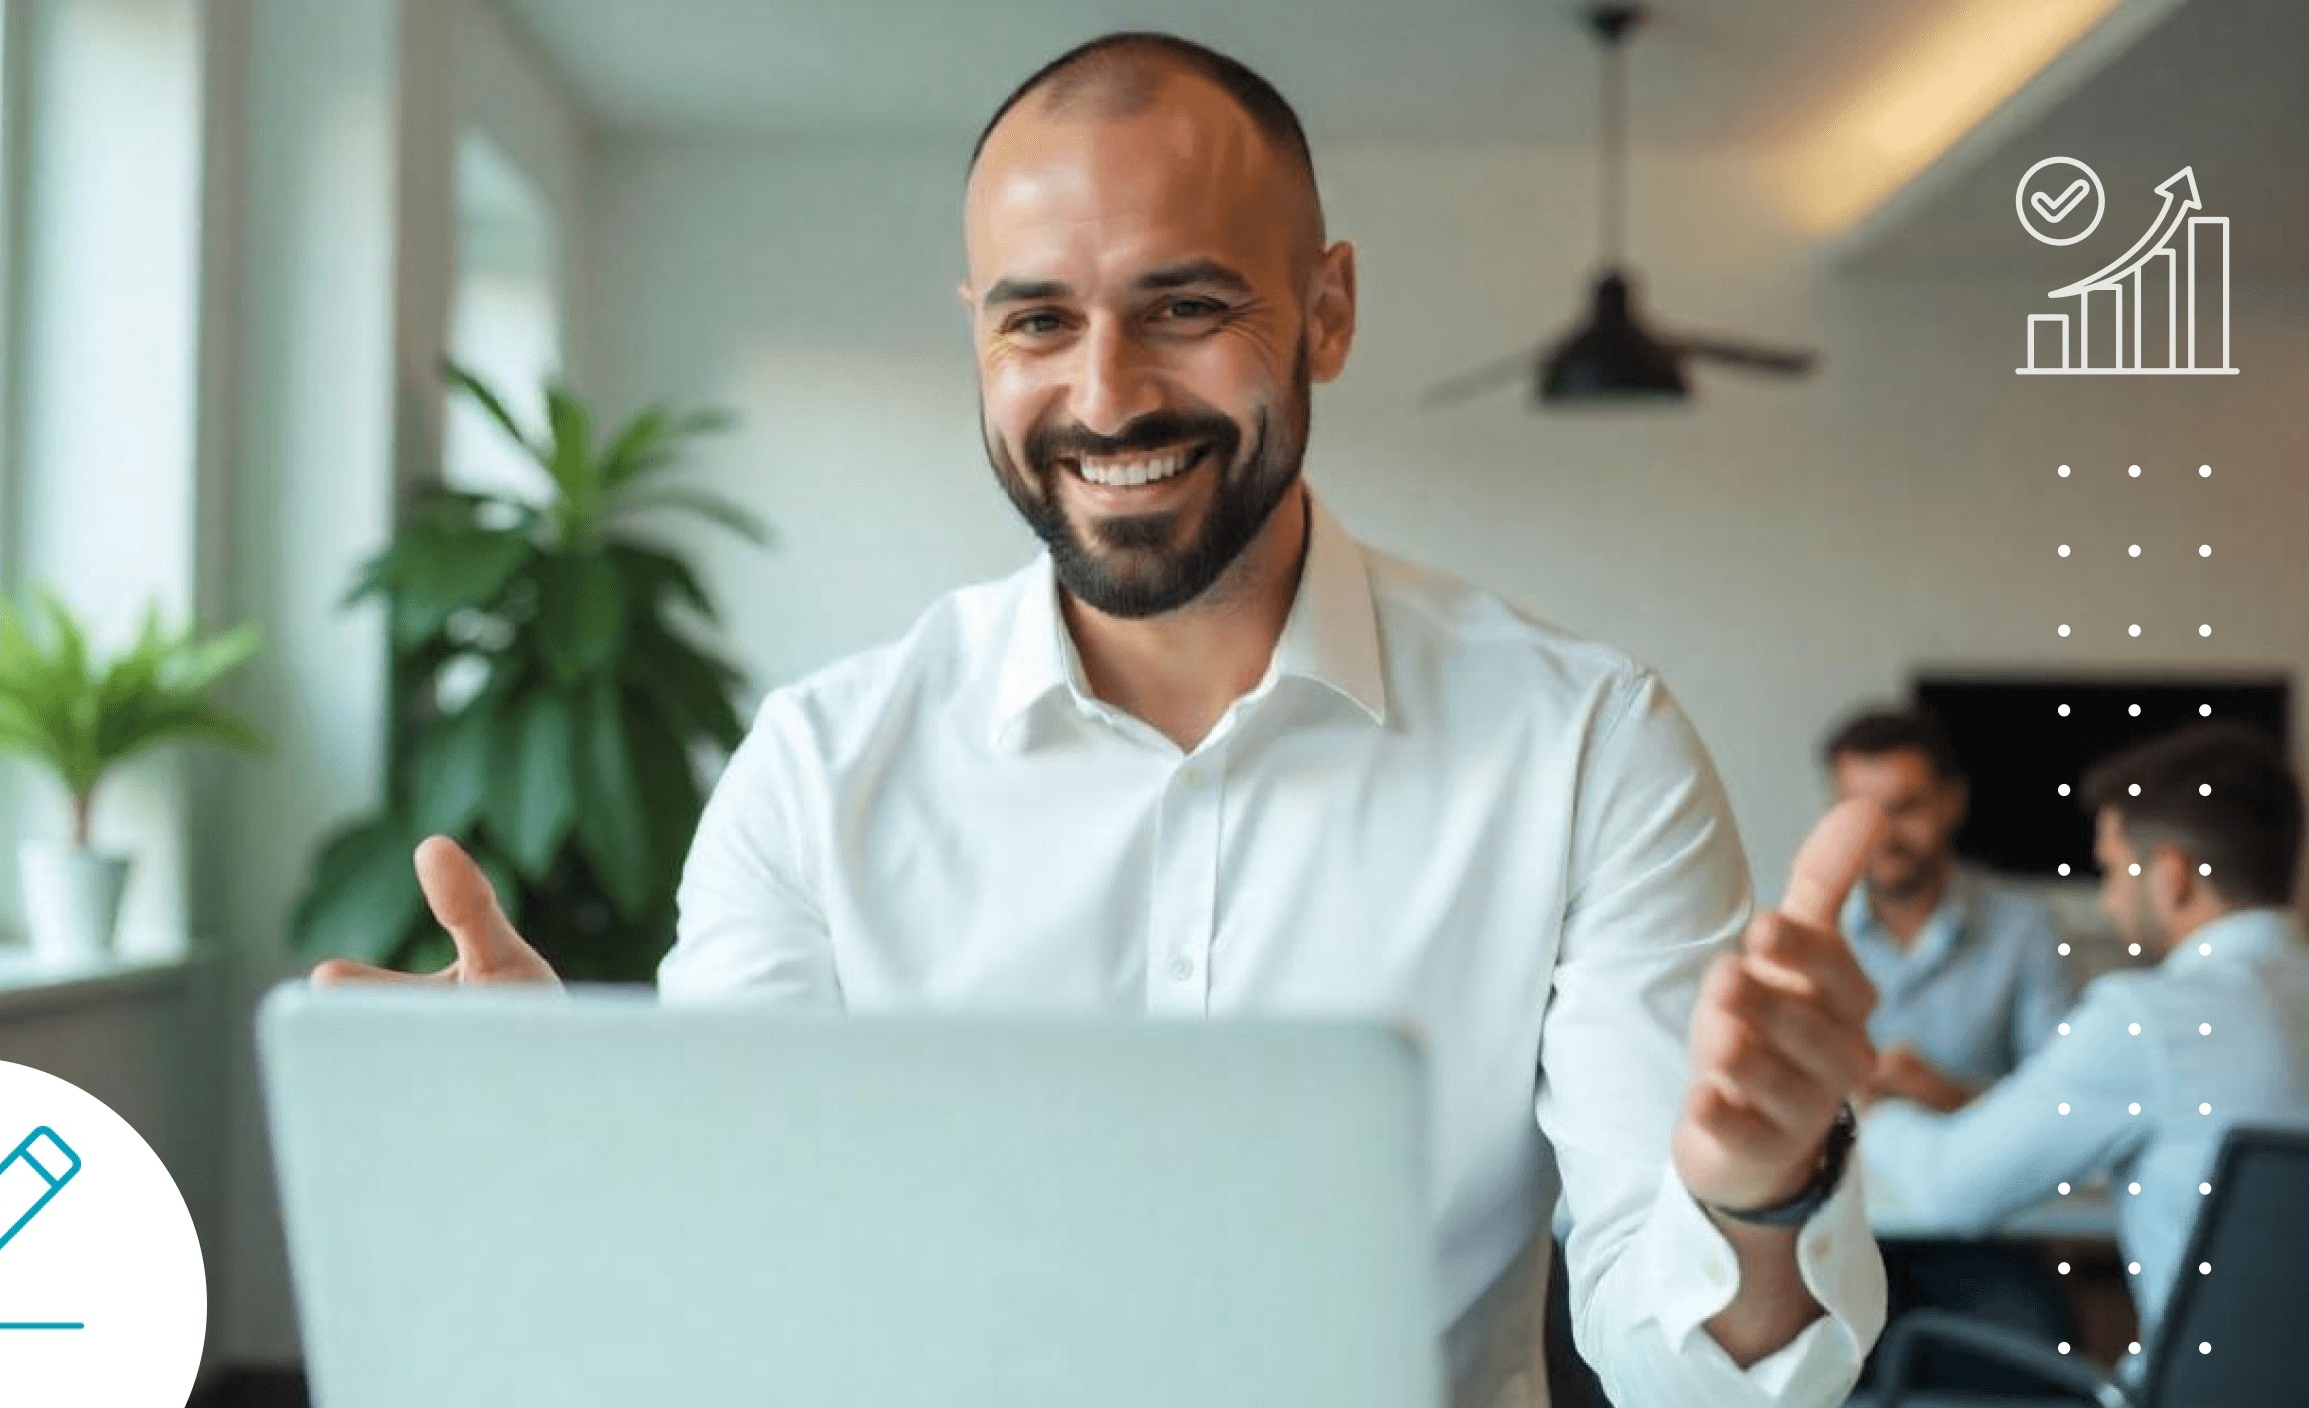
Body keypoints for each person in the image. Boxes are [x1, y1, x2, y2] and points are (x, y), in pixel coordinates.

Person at [315, 32, 1890, 1407]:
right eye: (1036, 321)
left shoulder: (1586, 749)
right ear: (979, 334)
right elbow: (739, 1297)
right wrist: (541, 1152)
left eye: (1185, 303)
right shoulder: (814, 777)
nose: (1109, 394)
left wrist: (1760, 1204)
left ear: (1327, 312)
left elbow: (1700, 1379)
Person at [1861, 722, 2309, 1342]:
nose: (2108, 904)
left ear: (2173, 876)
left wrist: (1868, 1111)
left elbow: (1951, 1188)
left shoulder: (2147, 1018)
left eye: (2115, 870)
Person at [1821, 708, 2077, 1112]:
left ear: (1952, 802)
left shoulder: (2025, 926)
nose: (1882, 834)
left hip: (1974, 1165)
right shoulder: (1805, 929)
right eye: (1860, 815)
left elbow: (2062, 1096)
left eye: (1904, 807)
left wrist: (1951, 1097)